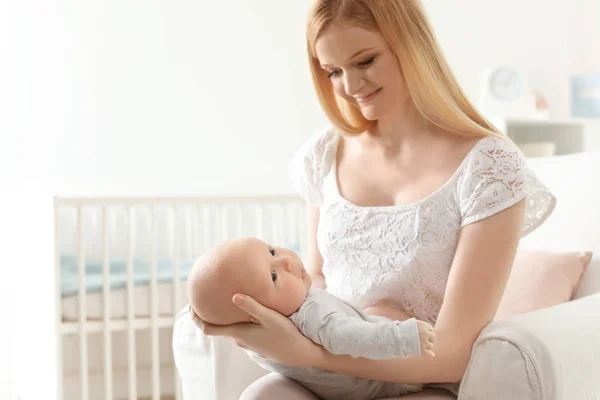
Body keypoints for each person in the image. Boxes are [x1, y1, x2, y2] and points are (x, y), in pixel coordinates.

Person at [187, 0, 556, 398]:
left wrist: (307, 354)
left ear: (411, 45)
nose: (349, 85)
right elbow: (316, 280)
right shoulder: (325, 154)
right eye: (333, 71)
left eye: (365, 61)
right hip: (333, 369)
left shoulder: (489, 166)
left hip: (425, 379)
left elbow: (454, 352)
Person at [187, 237, 435, 400]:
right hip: (392, 382)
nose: (286, 261)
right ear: (256, 314)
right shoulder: (311, 315)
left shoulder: (261, 343)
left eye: (271, 251)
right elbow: (352, 338)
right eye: (273, 276)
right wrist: (405, 337)